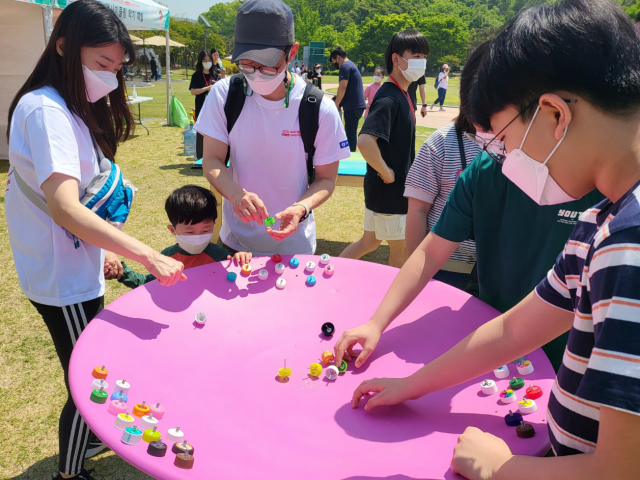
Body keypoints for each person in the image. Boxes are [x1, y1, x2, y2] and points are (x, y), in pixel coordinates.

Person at [349, 1, 640, 478]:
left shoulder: (629, 244)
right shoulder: (600, 220)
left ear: (554, 115)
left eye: (505, 139)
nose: (504, 157)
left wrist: (500, 469)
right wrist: (412, 385)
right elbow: (514, 330)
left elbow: (621, 469)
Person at [334, 37, 603, 373]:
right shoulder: (485, 171)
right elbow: (431, 251)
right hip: (493, 336)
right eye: (483, 137)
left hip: (573, 353)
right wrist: (377, 323)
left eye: (499, 135)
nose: (495, 149)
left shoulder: (601, 187)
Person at [4, 2, 185, 479]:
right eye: (102, 64)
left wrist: (105, 252)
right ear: (64, 47)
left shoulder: (67, 106)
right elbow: (65, 207)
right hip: (61, 275)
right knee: (90, 381)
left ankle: (78, 455)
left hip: (77, 264)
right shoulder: (45, 110)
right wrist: (146, 254)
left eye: (118, 66)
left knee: (90, 374)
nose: (111, 75)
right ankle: (70, 472)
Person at [195, 0, 349, 256]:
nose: (256, 73)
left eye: (267, 64)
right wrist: (235, 194)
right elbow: (211, 160)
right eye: (246, 63)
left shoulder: (319, 108)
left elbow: (326, 179)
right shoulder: (225, 95)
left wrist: (301, 207)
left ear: (291, 52)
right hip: (236, 243)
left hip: (295, 246)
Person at [339, 30, 429, 268]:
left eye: (424, 55)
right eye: (416, 55)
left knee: (369, 243)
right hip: (390, 191)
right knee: (403, 251)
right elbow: (365, 140)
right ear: (396, 59)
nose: (422, 61)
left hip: (386, 190)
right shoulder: (389, 97)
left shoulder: (403, 93)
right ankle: (393, 303)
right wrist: (387, 172)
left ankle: (333, 271)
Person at [404, 113, 481, 292]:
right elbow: (417, 209)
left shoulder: (517, 144)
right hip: (445, 269)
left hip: (497, 271)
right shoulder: (441, 142)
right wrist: (416, 273)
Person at [117, 186, 251, 288]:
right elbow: (148, 284)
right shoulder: (167, 258)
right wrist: (123, 273)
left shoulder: (220, 255)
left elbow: (235, 276)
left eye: (206, 230)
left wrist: (240, 259)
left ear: (214, 225)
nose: (198, 237)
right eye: (190, 232)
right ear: (172, 230)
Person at [330, 46, 366, 152]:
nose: (336, 65)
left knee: (350, 134)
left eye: (334, 62)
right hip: (356, 105)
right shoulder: (351, 65)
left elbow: (343, 87)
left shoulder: (345, 66)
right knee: (350, 132)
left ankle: (350, 156)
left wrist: (336, 104)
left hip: (353, 106)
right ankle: (350, 153)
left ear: (338, 58)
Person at [190, 51, 216, 160]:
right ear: (201, 62)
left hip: (214, 109)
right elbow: (193, 91)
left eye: (209, 60)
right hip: (201, 107)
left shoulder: (215, 74)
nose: (207, 63)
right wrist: (206, 88)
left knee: (214, 132)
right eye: (205, 61)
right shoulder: (196, 75)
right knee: (201, 132)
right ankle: (201, 157)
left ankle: (214, 156)